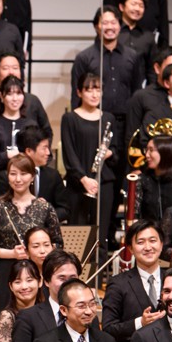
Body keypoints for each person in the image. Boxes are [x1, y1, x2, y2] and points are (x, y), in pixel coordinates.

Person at [0, 153, 62, 319]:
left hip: (37, 273)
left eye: (23, 174)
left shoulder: (44, 206)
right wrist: (11, 253)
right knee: (4, 321)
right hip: (7, 272)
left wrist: (40, 252)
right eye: (13, 174)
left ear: (32, 177)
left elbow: (58, 243)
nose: (18, 179)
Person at [70, 6, 142, 148]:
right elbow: (76, 95)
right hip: (94, 122)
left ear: (120, 25)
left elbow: (137, 91)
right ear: (96, 26)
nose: (110, 27)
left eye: (113, 22)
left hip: (125, 124)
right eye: (105, 23)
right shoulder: (84, 58)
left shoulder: (132, 56)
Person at [61, 72, 119, 245]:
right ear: (79, 92)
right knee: (77, 234)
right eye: (89, 90)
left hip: (103, 182)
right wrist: (83, 179)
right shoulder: (70, 118)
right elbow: (69, 153)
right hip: (78, 183)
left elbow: (115, 151)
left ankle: (99, 270)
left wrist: (109, 153)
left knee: (100, 235)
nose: (95, 94)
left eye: (98, 89)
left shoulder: (108, 118)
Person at [102, 219, 166, 342]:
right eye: (140, 242)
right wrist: (140, 323)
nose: (148, 247)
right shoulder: (118, 284)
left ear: (161, 244)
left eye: (153, 240)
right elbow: (108, 329)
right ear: (130, 248)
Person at [104, 0, 169, 48]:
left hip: (149, 40)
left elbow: (163, 16)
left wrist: (164, 45)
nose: (137, 8)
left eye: (141, 5)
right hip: (122, 40)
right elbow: (108, 15)